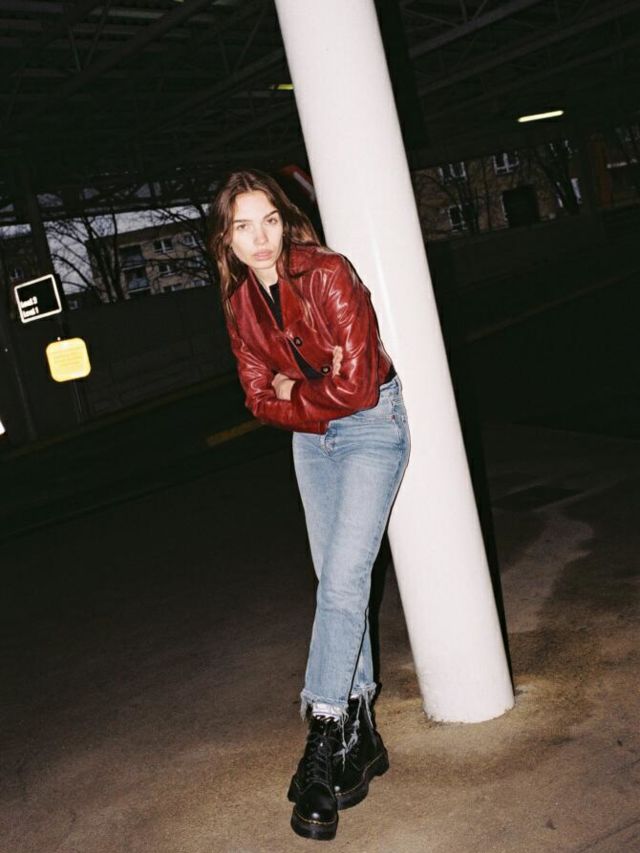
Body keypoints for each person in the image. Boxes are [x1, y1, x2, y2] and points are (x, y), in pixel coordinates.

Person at [209, 169, 410, 841]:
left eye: (269, 220)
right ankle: (363, 735)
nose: (260, 238)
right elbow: (255, 398)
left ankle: (324, 732)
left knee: (345, 580)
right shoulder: (241, 305)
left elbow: (358, 390)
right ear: (226, 239)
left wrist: (294, 389)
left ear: (285, 220)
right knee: (335, 582)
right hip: (311, 440)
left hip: (373, 426)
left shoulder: (327, 273)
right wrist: (301, 397)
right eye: (243, 226)